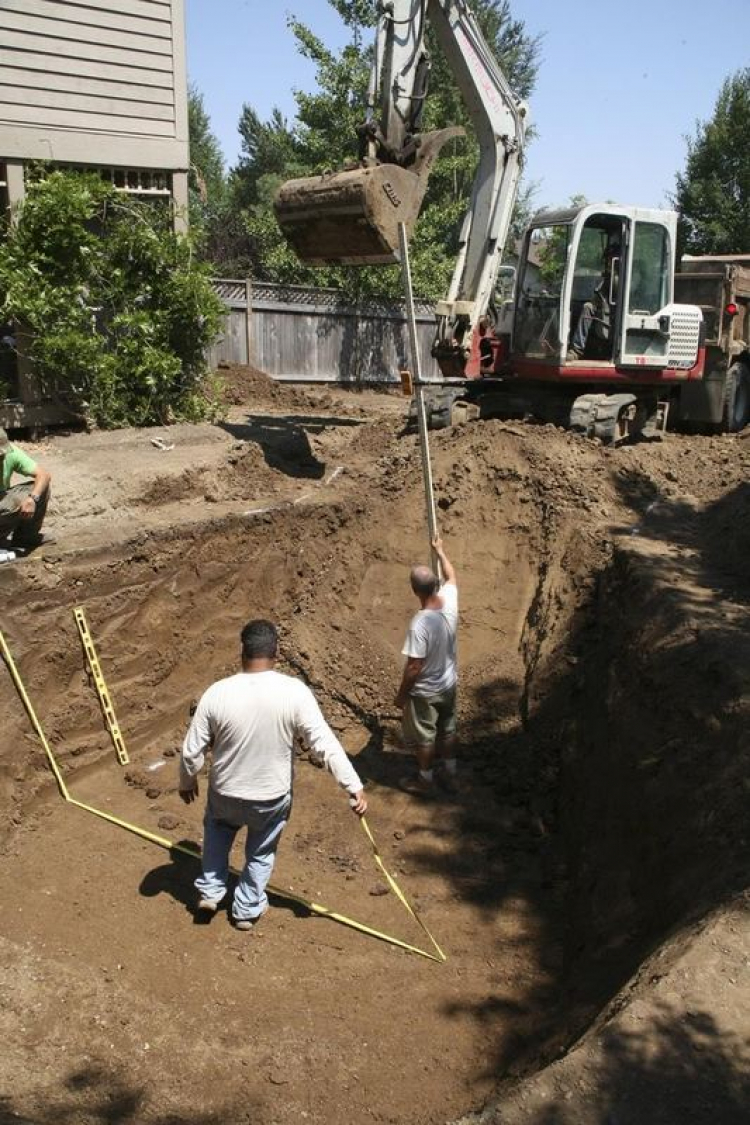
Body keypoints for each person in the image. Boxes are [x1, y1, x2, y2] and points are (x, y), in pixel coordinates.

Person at [179, 618, 367, 930]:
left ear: (242, 653)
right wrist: (353, 785)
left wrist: (187, 781)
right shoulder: (295, 692)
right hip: (270, 796)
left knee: (217, 832)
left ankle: (211, 892)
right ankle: (246, 910)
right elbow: (324, 744)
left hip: (225, 790)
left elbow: (190, 751)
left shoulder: (217, 692)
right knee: (261, 850)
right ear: (276, 654)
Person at [396, 537, 459, 797]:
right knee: (448, 729)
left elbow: (414, 667)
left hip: (426, 691)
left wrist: (401, 695)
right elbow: (452, 575)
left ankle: (425, 779)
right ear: (436, 584)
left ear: (415, 591)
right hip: (449, 683)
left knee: (425, 737)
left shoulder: (420, 624)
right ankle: (451, 773)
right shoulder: (450, 597)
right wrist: (440, 551)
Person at [0, 427, 52, 552]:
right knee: (10, 504)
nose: (2, 457)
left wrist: (32, 498)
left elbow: (44, 475)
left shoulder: (10, 453)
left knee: (40, 489)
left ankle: (25, 538)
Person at [569, 239, 621, 361]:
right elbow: (599, 294)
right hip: (604, 307)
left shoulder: (623, 276)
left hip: (615, 312)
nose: (607, 263)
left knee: (587, 308)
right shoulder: (609, 275)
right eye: (607, 259)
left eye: (609, 259)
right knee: (578, 305)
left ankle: (577, 349)